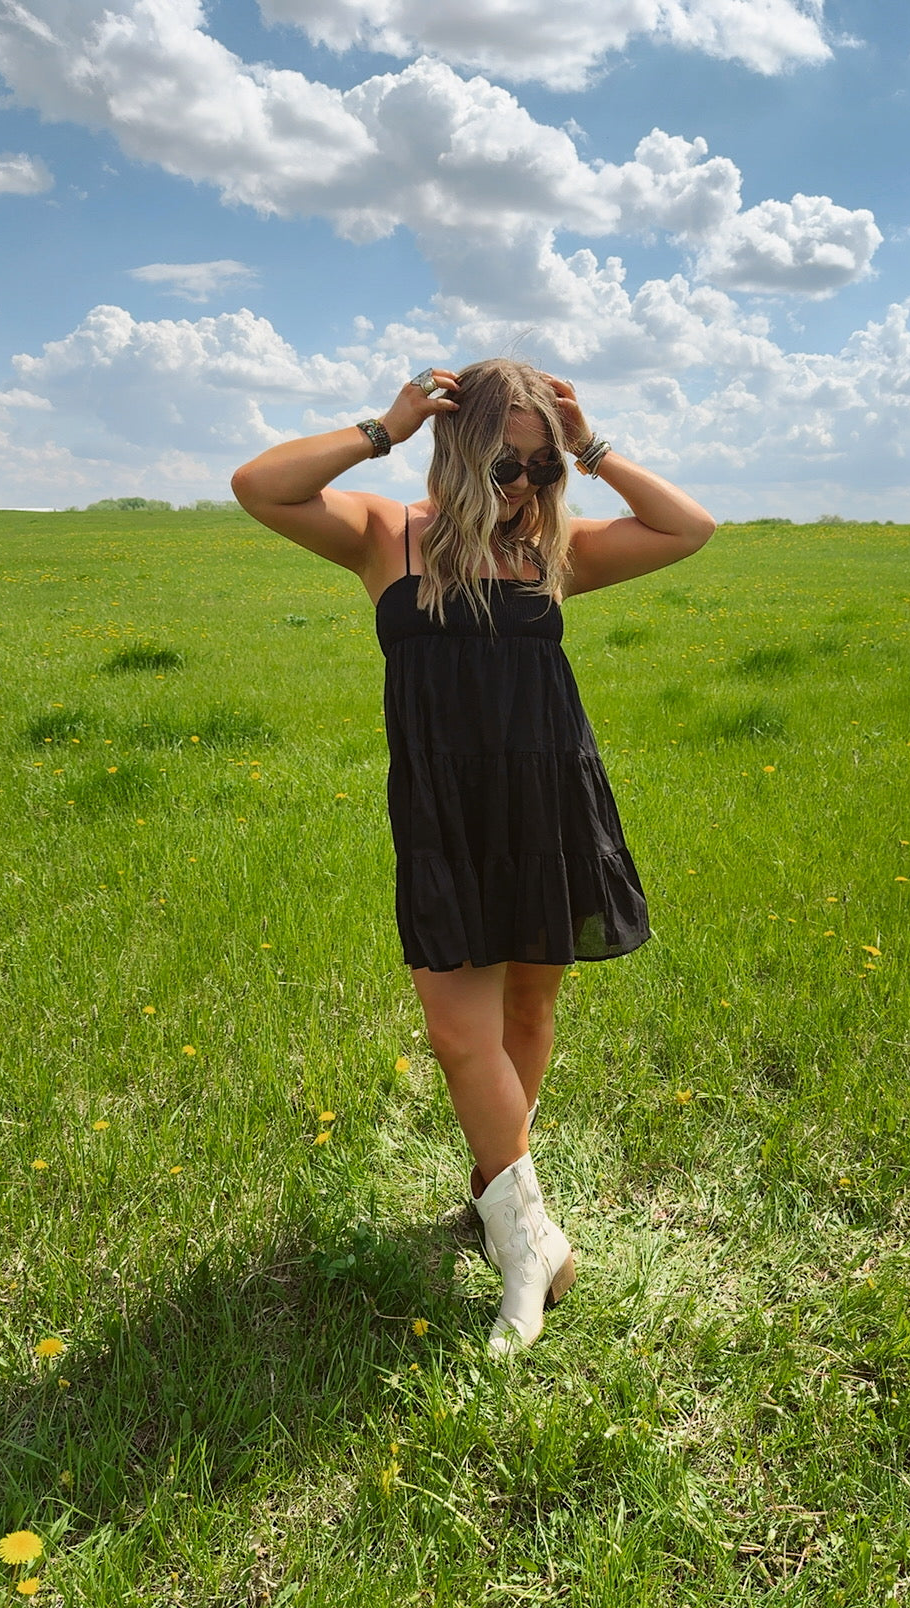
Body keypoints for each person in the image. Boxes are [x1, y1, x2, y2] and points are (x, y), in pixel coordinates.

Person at [231, 359, 715, 1355]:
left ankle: (496, 1192)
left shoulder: (552, 550)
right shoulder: (387, 535)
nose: (522, 486)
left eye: (540, 469)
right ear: (457, 449)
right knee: (459, 1031)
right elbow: (259, 486)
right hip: (444, 811)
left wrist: (591, 446)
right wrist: (386, 425)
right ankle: (533, 1246)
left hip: (546, 803)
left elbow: (688, 528)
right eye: (505, 464)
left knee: (529, 1011)